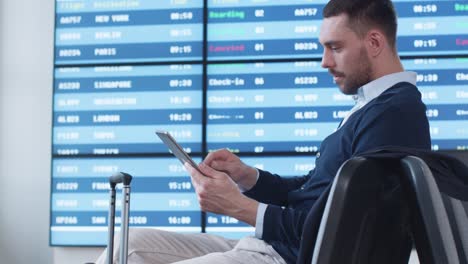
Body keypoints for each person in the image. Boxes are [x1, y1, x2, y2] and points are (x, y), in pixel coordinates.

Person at [96, 0, 431, 263]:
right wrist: (248, 176)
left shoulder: (395, 114)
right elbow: (312, 191)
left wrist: (236, 206)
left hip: (286, 256)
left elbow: (341, 229)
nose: (324, 62)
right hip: (270, 245)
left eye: (335, 47)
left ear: (374, 42)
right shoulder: (372, 106)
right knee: (127, 246)